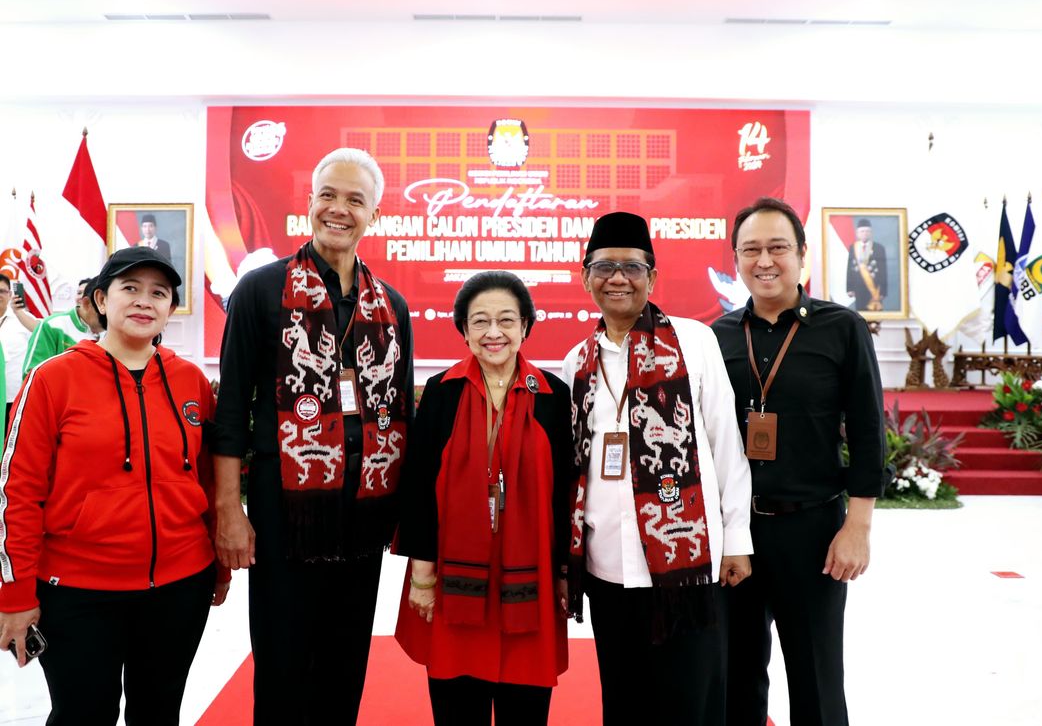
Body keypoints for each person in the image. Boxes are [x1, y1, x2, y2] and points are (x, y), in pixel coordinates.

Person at [212, 147, 414, 726]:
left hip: (362, 515)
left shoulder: (391, 306)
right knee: (282, 667)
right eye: (328, 194)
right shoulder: (261, 291)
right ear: (308, 204)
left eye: (355, 200)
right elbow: (232, 412)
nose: (339, 209)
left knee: (345, 667)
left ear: (374, 214)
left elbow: (400, 414)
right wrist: (230, 509)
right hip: (285, 514)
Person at [0, 246, 229, 725]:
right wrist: (16, 595)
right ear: (101, 300)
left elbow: (207, 478)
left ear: (170, 308)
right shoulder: (51, 380)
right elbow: (17, 493)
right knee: (83, 714)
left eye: (159, 293)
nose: (145, 301)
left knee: (159, 711)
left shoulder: (191, 382)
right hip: (79, 592)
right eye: (131, 288)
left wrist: (217, 567)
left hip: (179, 587)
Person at [562, 211, 753, 726]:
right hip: (607, 564)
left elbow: (726, 443)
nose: (617, 278)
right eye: (604, 267)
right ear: (585, 278)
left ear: (653, 276)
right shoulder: (577, 359)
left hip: (685, 561)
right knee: (623, 702)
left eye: (632, 267)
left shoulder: (694, 341)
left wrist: (736, 539)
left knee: (690, 702)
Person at [712, 197, 887, 726]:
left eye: (777, 248)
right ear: (736, 259)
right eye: (751, 250)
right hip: (734, 533)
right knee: (736, 676)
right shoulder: (715, 337)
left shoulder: (841, 328)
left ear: (802, 254)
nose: (764, 261)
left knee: (816, 678)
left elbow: (867, 430)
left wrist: (857, 527)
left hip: (812, 530)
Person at [395, 271, 575, 726]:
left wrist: (564, 572)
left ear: (526, 327)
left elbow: (566, 494)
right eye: (480, 322)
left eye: (506, 320)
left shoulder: (553, 395)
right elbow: (419, 483)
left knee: (525, 710)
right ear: (463, 330)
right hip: (455, 582)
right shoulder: (442, 391)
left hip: (529, 577)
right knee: (458, 707)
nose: (493, 333)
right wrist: (421, 574)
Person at [21, 277, 105, 377]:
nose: (107, 316)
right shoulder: (53, 325)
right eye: (101, 308)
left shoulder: (112, 332)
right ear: (87, 304)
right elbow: (31, 375)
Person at [0, 275, 32, 424]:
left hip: (15, 397)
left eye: (2, 291)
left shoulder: (23, 319)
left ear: (10, 294)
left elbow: (43, 334)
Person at [846, 218, 888, 311]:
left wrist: (883, 292)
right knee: (860, 313)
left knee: (875, 316)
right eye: (862, 231)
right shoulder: (853, 248)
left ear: (871, 233)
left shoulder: (879, 248)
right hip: (858, 287)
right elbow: (849, 269)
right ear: (857, 233)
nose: (865, 233)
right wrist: (849, 288)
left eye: (867, 231)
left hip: (875, 288)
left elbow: (884, 270)